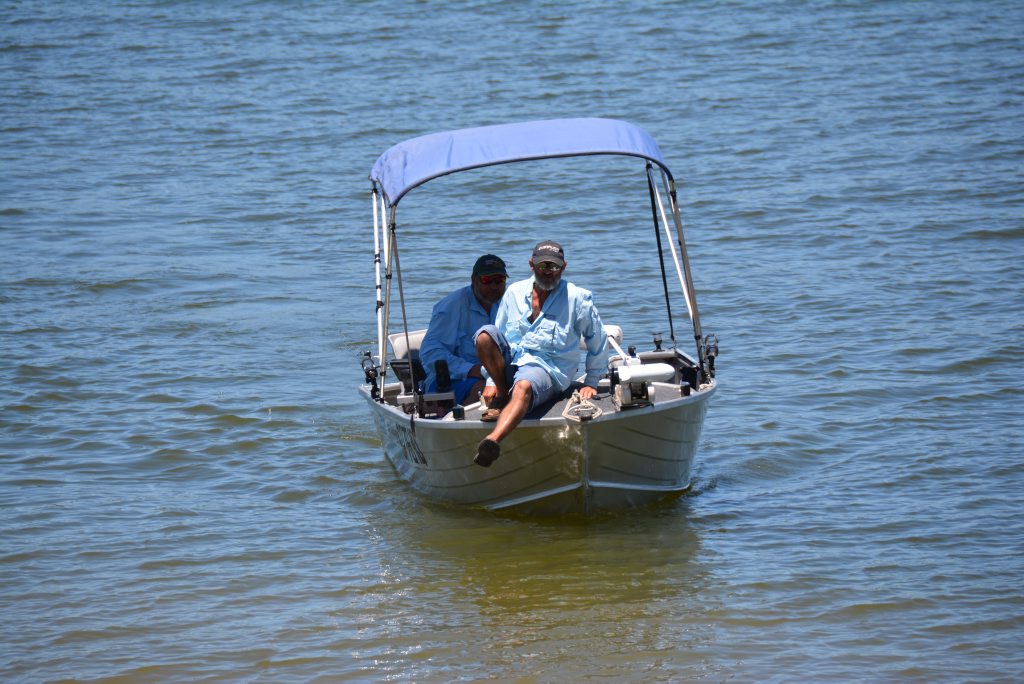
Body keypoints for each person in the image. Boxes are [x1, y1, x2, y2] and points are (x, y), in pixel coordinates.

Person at [473, 240, 608, 467]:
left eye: (553, 267)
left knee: (524, 385)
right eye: (542, 266)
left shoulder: (577, 298)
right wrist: (490, 379)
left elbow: (598, 338)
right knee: (485, 334)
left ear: (563, 267)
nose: (548, 272)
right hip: (513, 363)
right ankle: (503, 393)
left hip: (548, 369)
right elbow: (500, 334)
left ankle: (492, 441)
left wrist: (592, 380)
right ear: (531, 265)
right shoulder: (514, 293)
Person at [419, 254, 508, 405]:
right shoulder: (451, 306)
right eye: (487, 280)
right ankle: (456, 424)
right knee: (483, 388)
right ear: (474, 279)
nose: (493, 286)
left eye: (499, 280)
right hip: (451, 380)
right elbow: (430, 352)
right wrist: (472, 370)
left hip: (497, 376)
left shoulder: (509, 302)